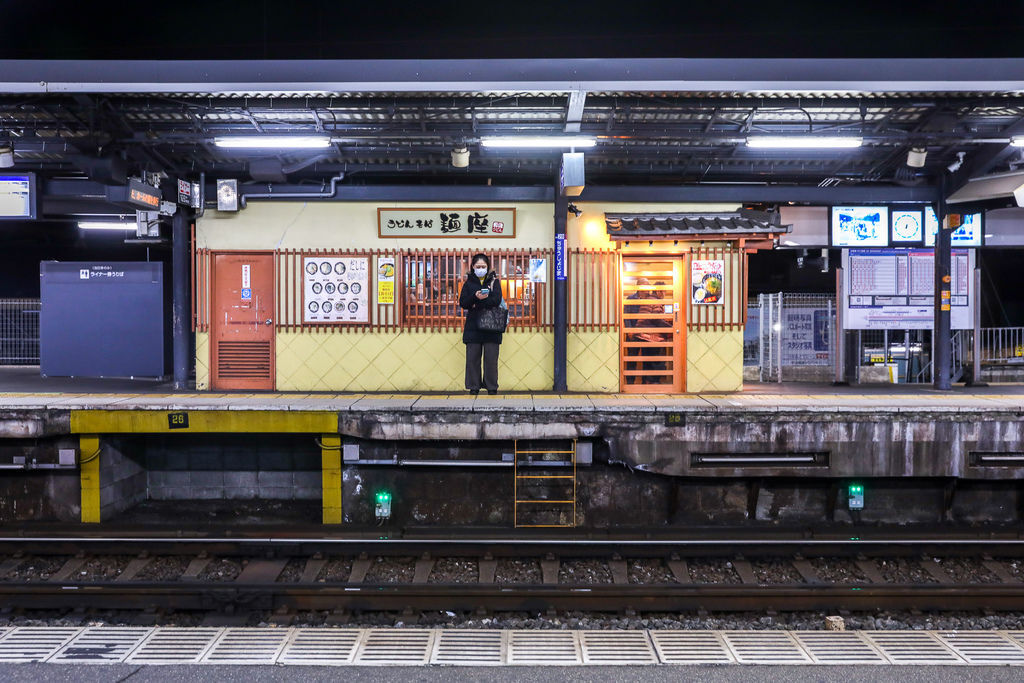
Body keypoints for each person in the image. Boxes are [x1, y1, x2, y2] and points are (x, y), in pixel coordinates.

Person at [459, 253, 503, 395]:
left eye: (483, 266)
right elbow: (463, 303)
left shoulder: (494, 282)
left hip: (492, 327)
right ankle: (474, 386)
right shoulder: (468, 283)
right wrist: (474, 296)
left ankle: (492, 387)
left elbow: (496, 300)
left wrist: (477, 302)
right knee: (472, 359)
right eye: (478, 266)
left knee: (491, 360)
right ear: (473, 267)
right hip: (473, 327)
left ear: (488, 267)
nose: (481, 269)